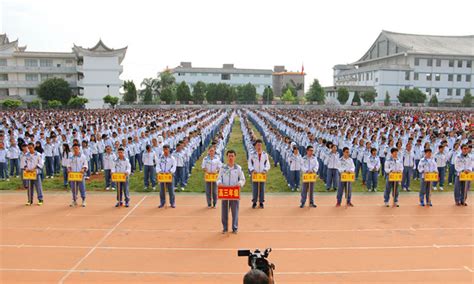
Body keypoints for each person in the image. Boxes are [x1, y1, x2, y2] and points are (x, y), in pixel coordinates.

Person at [217, 149, 245, 234]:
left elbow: (242, 179)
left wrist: (239, 184)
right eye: (229, 156)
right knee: (224, 211)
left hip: (234, 192)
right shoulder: (223, 168)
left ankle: (235, 228)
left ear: (235, 157)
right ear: (227, 157)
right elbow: (218, 178)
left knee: (235, 211)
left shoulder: (238, 168)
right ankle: (225, 228)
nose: (231, 158)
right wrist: (220, 183)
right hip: (225, 191)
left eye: (232, 156)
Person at [248, 139, 270, 208]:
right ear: (255, 146)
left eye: (260, 145)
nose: (259, 146)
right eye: (257, 145)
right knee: (255, 188)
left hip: (262, 174)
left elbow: (267, 164)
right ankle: (254, 202)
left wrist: (265, 170)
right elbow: (249, 163)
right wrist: (252, 170)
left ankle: (261, 202)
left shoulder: (265, 154)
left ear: (262, 145)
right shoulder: (252, 154)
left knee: (262, 188)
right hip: (255, 174)